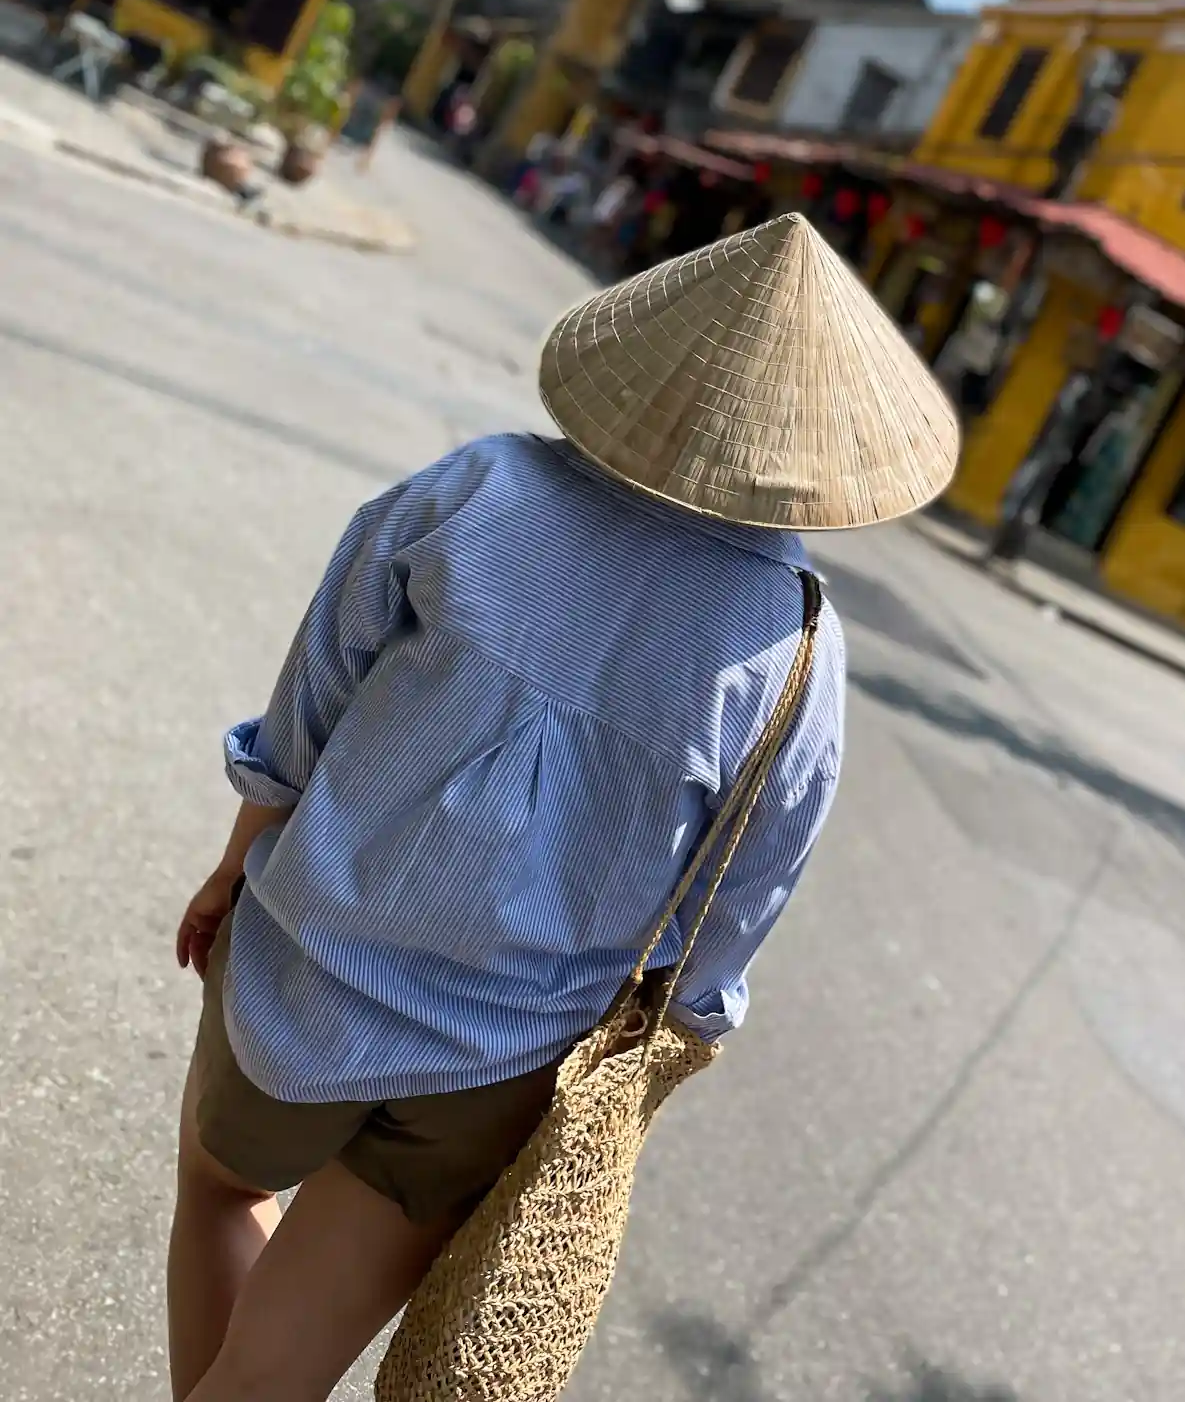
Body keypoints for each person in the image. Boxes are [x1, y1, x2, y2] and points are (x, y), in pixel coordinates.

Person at [167, 213, 959, 1402]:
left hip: (303, 965)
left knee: (222, 1193)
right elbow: (727, 919)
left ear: (641, 365)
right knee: (281, 1367)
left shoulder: (478, 488)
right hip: (501, 1061)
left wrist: (236, 859)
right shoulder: (796, 654)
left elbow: (310, 704)